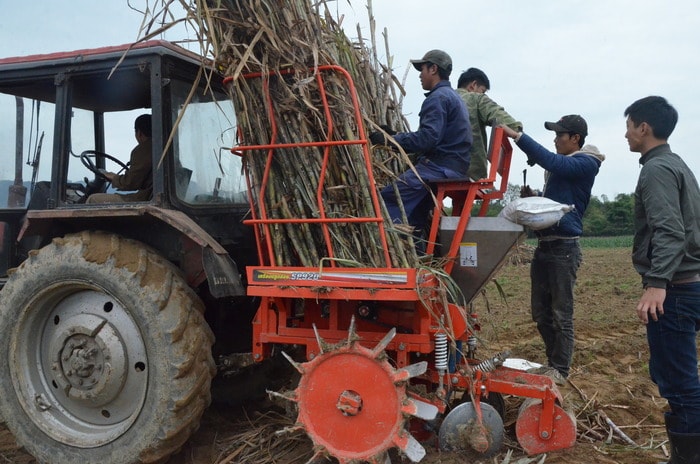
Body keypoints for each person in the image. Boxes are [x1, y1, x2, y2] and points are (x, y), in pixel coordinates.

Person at [501, 115, 604, 385]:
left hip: (564, 249)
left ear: (575, 139)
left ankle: (561, 369)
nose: (555, 139)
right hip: (545, 247)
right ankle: (552, 365)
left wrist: (518, 137)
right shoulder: (565, 167)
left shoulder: (585, 163)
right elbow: (556, 202)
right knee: (541, 312)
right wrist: (533, 195)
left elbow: (552, 161)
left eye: (560, 135)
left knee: (561, 313)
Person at [624, 96, 700, 463]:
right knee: (671, 373)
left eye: (628, 126)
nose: (625, 135)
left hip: (677, 290)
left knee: (680, 385)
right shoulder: (678, 164)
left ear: (644, 128)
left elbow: (670, 231)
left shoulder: (655, 170)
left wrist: (657, 283)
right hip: (689, 284)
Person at [369, 49, 471, 238]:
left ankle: (388, 250)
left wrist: (390, 141)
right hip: (453, 166)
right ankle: (418, 258)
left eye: (422, 69)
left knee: (389, 198)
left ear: (433, 69)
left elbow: (427, 139)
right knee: (415, 215)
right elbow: (436, 136)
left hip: (439, 167)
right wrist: (397, 135)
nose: (420, 75)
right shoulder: (452, 96)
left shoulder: (437, 98)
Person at [456, 67, 522, 181]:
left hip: (433, 170)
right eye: (483, 90)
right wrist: (520, 132)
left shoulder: (439, 99)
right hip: (468, 171)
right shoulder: (475, 98)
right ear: (473, 85)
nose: (483, 94)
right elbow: (502, 119)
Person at [86, 114, 153, 203]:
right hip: (150, 196)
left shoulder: (144, 149)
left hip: (146, 199)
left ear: (139, 133)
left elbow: (130, 183)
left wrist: (113, 177)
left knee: (93, 199)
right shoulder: (160, 146)